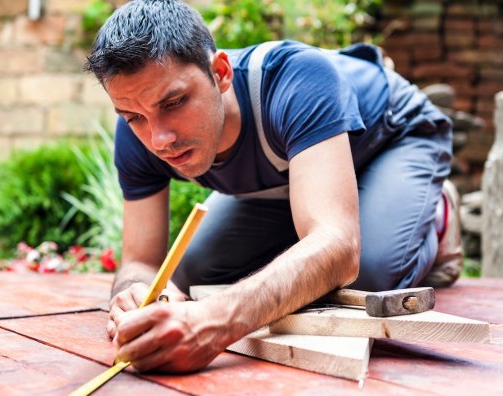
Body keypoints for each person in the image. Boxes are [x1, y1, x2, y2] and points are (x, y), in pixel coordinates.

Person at [85, 0, 463, 373]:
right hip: (293, 174)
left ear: (220, 73)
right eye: (134, 116)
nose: (159, 138)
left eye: (174, 102)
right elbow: (140, 261)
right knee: (194, 274)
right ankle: (315, 215)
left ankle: (436, 211)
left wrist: (212, 321)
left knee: (363, 271)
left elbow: (339, 248)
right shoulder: (138, 132)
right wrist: (132, 294)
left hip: (392, 139)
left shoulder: (297, 79)